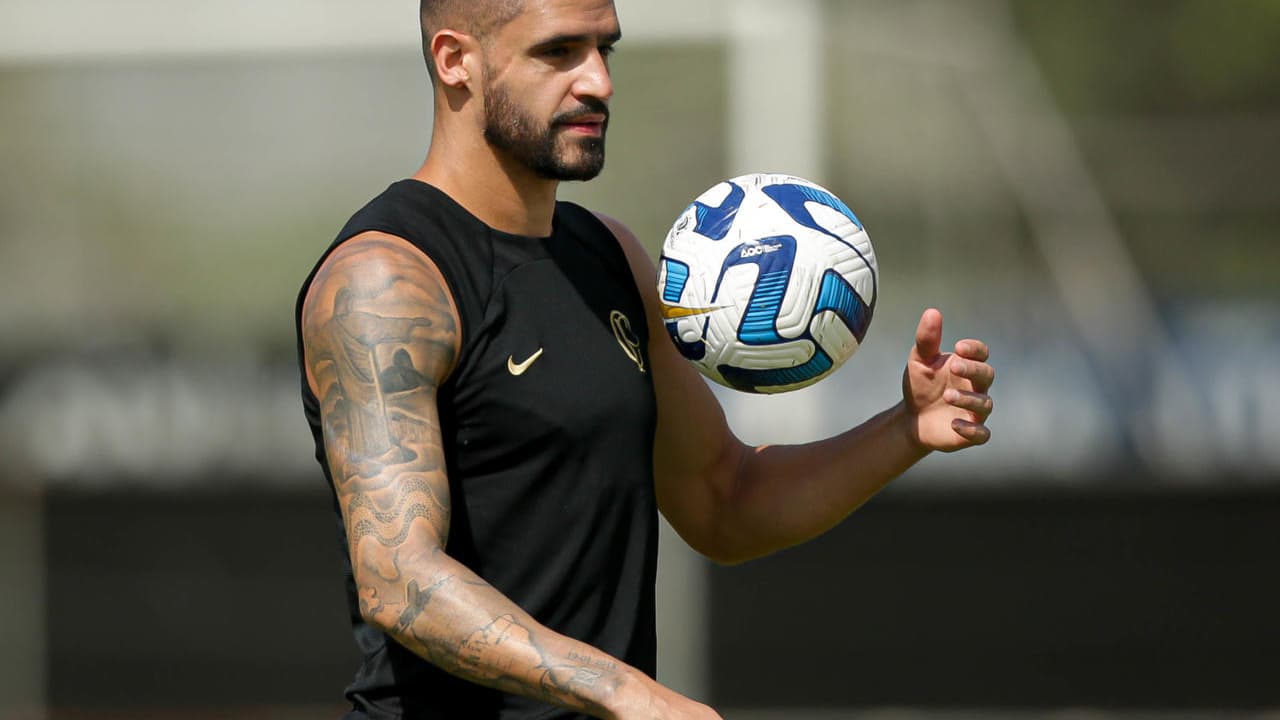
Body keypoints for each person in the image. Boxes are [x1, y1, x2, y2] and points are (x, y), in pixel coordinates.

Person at [295, 1, 995, 718]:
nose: (597, 81)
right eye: (558, 52)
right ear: (454, 61)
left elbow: (725, 499)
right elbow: (398, 578)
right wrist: (626, 692)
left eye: (605, 50)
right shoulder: (386, 280)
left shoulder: (611, 257)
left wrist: (905, 429)